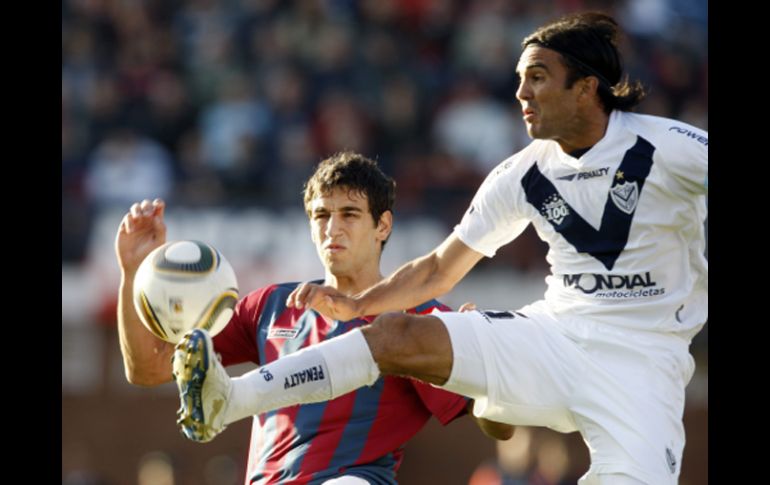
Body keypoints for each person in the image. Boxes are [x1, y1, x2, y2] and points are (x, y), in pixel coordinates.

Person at [174, 12, 707, 485]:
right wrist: (359, 306)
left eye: (538, 78)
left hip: (642, 362)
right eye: (520, 79)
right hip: (557, 336)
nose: (522, 93)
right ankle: (231, 399)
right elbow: (437, 270)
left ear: (586, 88)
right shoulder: (521, 173)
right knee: (395, 332)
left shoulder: (670, 147)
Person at [116, 152, 513, 485]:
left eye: (349, 214)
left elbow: (501, 427)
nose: (332, 229)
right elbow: (149, 369)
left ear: (383, 225)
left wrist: (479, 369)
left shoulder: (418, 317)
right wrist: (132, 272)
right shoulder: (270, 305)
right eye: (321, 215)